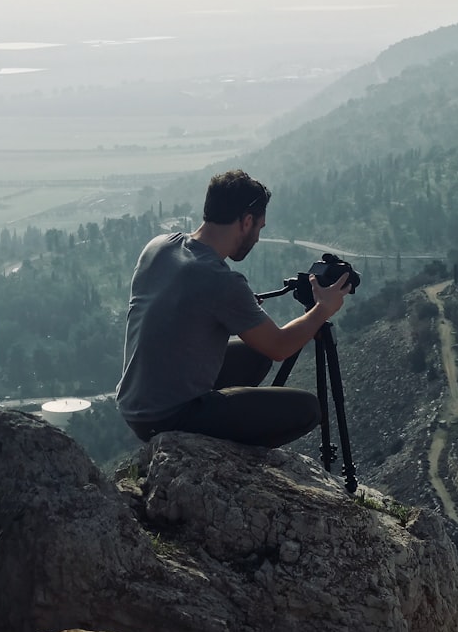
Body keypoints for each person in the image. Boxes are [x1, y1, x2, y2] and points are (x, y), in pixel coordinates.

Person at [115, 169, 351, 447]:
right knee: (308, 409)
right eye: (259, 228)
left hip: (135, 406)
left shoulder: (159, 247)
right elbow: (280, 346)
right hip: (169, 417)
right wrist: (323, 309)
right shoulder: (221, 281)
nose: (258, 238)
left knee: (257, 354)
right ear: (247, 221)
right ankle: (225, 461)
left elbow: (182, 307)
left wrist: (231, 309)